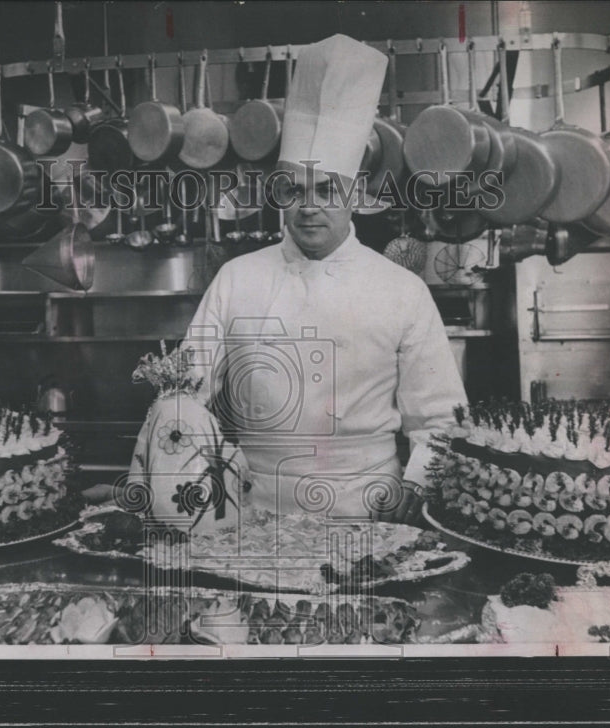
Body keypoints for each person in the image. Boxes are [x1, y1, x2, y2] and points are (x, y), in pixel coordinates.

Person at [181, 34, 467, 524]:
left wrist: (415, 490)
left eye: (326, 190)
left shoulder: (402, 290)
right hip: (251, 511)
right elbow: (184, 397)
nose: (309, 206)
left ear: (355, 193)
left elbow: (440, 422)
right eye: (294, 190)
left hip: (368, 509)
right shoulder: (236, 279)